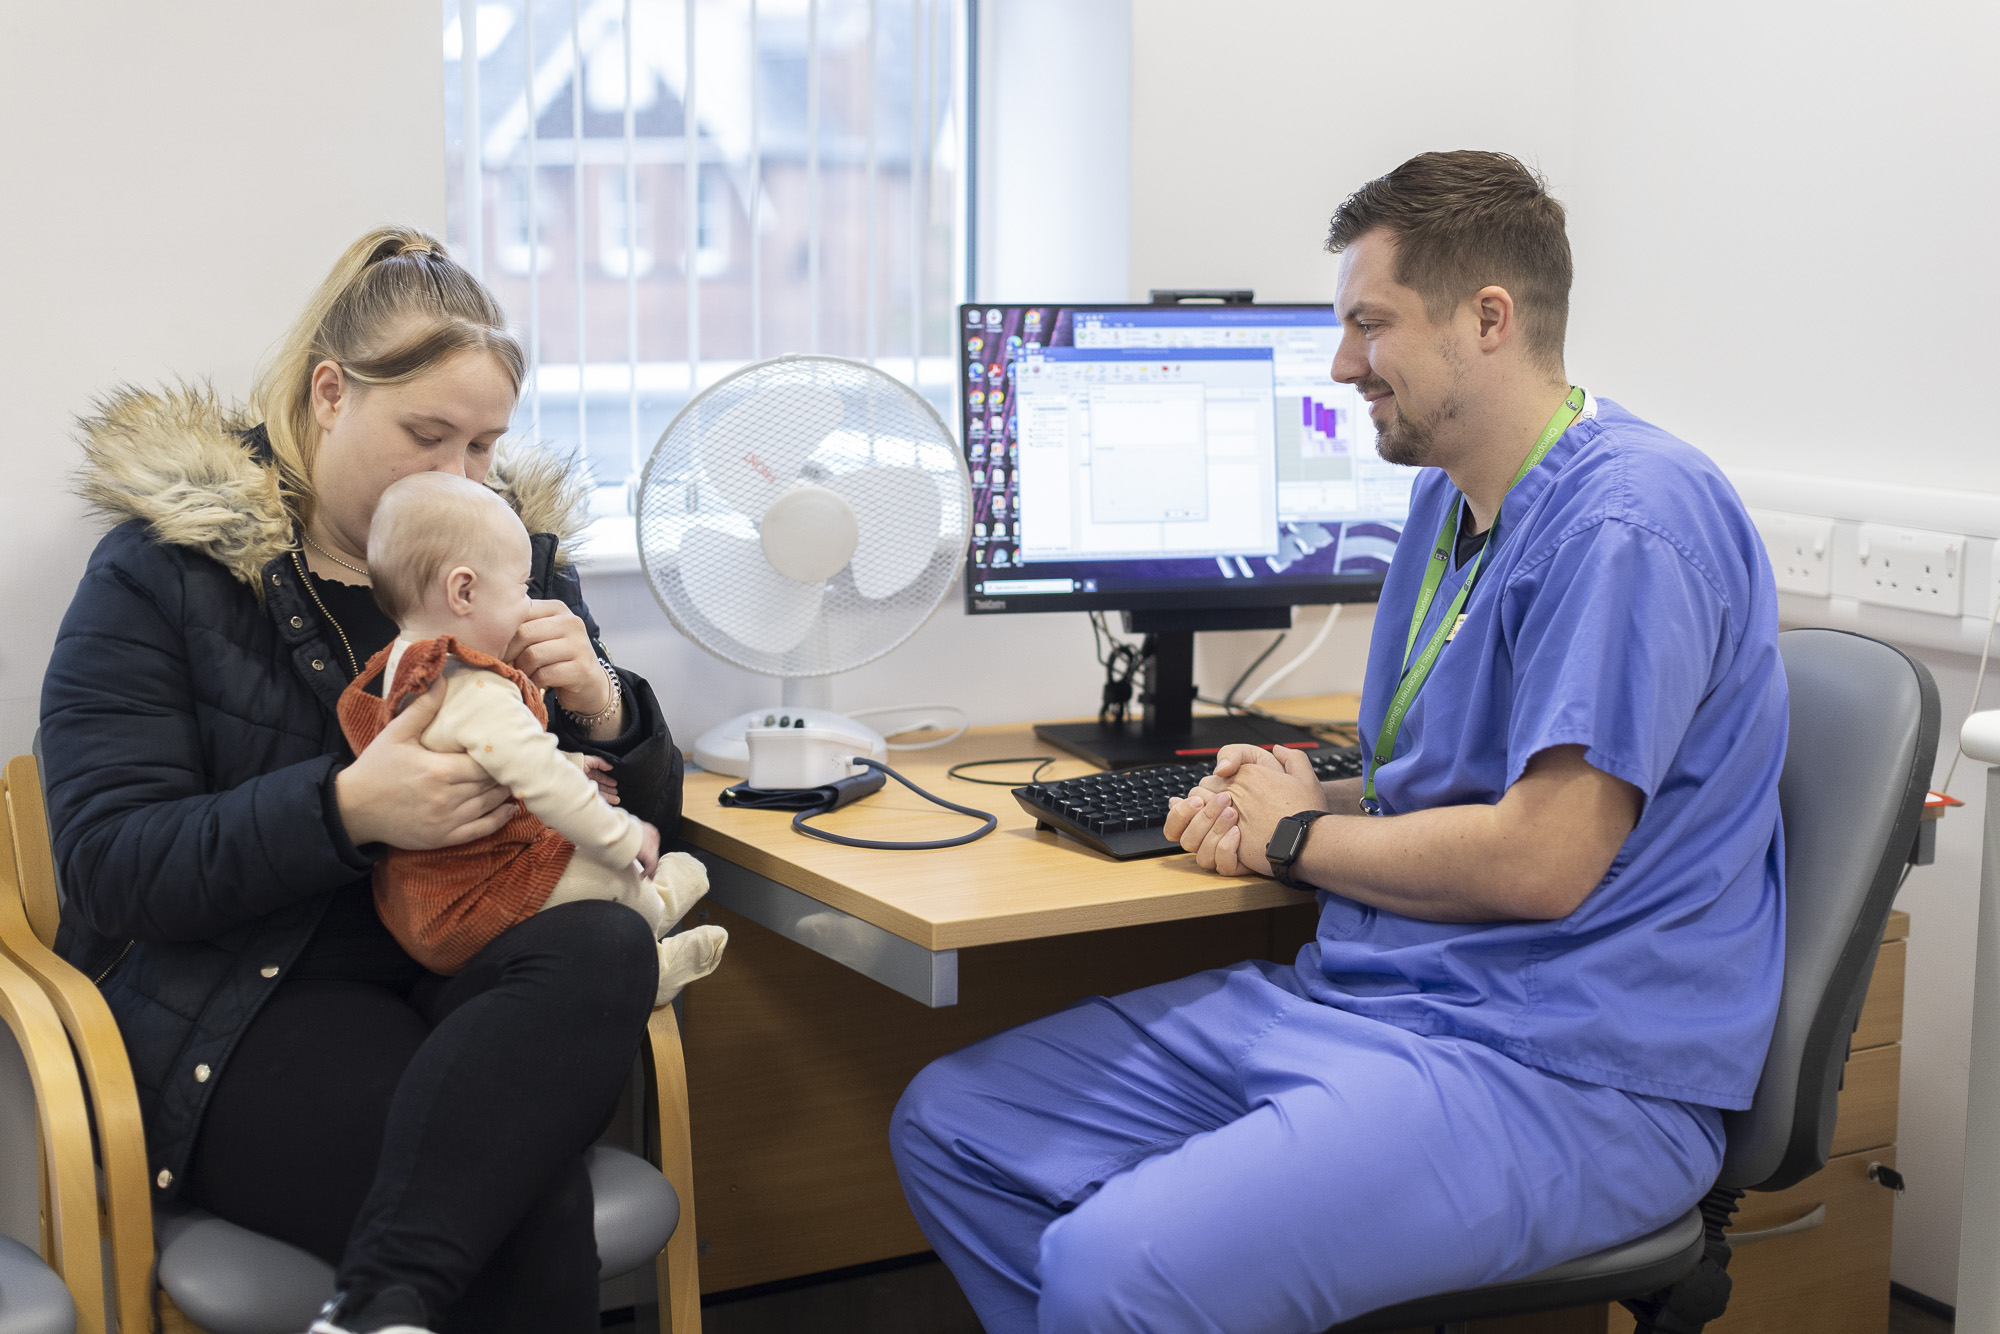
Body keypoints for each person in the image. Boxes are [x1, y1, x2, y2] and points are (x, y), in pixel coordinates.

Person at [890, 151, 1789, 1334]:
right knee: (954, 1127)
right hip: (1371, 1000)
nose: (1339, 364)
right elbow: (1440, 763)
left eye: (1369, 324)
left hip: (1562, 1066)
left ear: (1486, 320)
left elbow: (1541, 857)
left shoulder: (1626, 522)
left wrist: (1297, 835)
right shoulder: (1446, 502)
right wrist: (1291, 780)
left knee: (1115, 1267)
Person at [43, 227, 682, 1334]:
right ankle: (384, 1301)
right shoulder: (167, 573)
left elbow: (642, 832)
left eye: (485, 447)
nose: (460, 479)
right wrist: (345, 811)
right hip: (257, 1003)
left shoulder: (509, 563)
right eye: (426, 435)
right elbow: (108, 869)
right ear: (330, 393)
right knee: (519, 1214)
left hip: (471, 976)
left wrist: (610, 711)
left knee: (613, 939)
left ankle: (375, 1305)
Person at [340, 471, 725, 998]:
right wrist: (624, 836)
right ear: (464, 590)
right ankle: (652, 952)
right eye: (521, 588)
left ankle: (648, 909)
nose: (528, 604)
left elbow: (481, 758)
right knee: (599, 864)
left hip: (421, 901)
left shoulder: (405, 662)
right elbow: (540, 782)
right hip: (468, 902)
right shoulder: (472, 683)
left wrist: (572, 762)